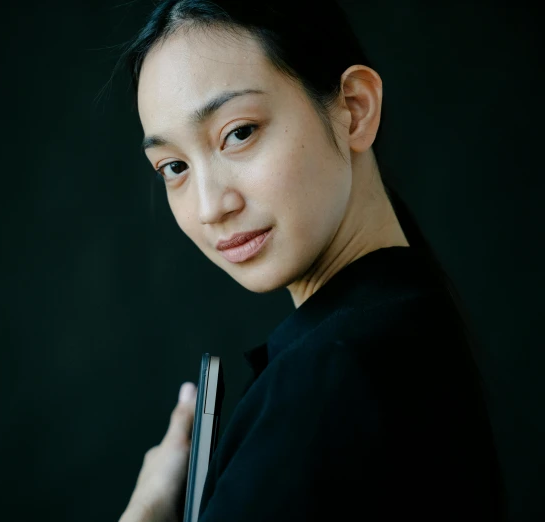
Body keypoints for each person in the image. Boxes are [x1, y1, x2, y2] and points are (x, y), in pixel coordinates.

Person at [114, 1, 507, 520]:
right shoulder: (407, 325)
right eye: (174, 166)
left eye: (239, 133)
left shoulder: (330, 374)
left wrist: (141, 515)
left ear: (354, 107)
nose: (211, 207)